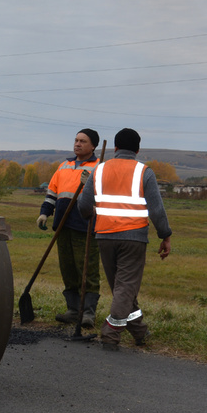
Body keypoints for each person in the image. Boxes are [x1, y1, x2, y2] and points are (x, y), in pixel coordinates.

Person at [78, 128, 172, 351]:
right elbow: (157, 210)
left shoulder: (99, 170)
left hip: (104, 236)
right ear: (137, 150)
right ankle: (111, 332)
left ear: (116, 148)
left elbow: (84, 205)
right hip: (133, 238)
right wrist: (165, 235)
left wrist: (90, 215)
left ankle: (139, 330)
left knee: (121, 288)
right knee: (125, 288)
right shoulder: (144, 172)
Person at [36, 129, 102, 327]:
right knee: (68, 269)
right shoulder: (63, 166)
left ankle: (88, 313)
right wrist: (45, 213)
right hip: (63, 224)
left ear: (93, 146)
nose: (78, 144)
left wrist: (90, 186)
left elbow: (104, 196)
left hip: (86, 226)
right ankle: (73, 310)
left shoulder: (99, 168)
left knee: (87, 269)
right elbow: (52, 193)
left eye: (83, 141)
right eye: (76, 140)